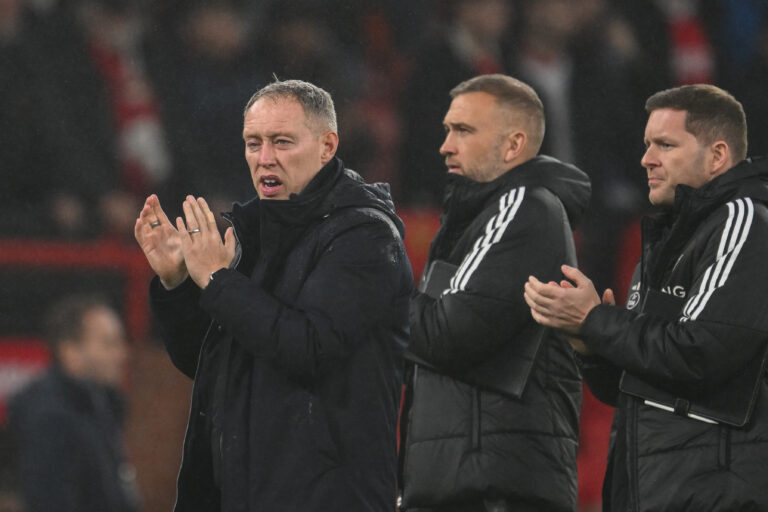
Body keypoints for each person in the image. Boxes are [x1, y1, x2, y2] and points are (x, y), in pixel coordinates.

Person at [134, 79, 413, 511]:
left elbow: (307, 346)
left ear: (327, 146)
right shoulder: (250, 234)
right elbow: (211, 364)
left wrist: (217, 281)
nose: (265, 158)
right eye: (253, 143)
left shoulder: (365, 237)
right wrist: (178, 284)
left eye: (282, 142)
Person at [524, 84, 768, 510]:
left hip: (712, 494)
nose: (646, 159)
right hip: (657, 491)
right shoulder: (671, 237)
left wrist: (596, 320)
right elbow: (639, 388)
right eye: (646, 144)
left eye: (665, 144)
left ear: (717, 156)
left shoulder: (743, 220)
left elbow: (700, 353)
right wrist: (590, 346)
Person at [399, 74, 590, 511]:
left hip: (496, 490)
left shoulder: (523, 206)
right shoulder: (474, 220)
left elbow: (447, 334)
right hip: (464, 484)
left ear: (512, 146)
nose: (446, 145)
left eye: (463, 130)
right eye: (447, 130)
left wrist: (376, 287)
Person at [7, 294, 140, 512]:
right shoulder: (49, 418)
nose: (122, 354)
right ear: (70, 351)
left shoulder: (99, 405)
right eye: (109, 344)